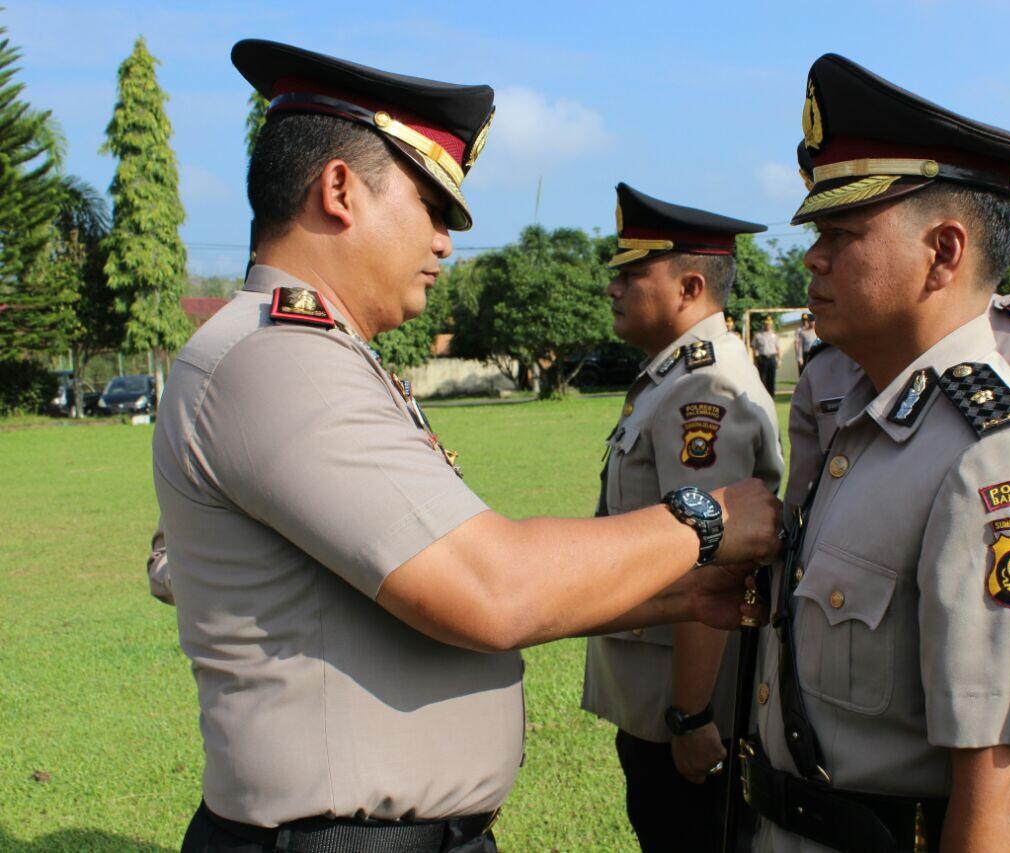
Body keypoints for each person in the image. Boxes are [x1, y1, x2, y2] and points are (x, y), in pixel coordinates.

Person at [156, 40, 783, 853]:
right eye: (432, 206)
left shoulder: (312, 356)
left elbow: (430, 587)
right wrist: (706, 517)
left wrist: (677, 597)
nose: (448, 241)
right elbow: (491, 585)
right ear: (339, 189)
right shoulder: (280, 359)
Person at [744, 54, 1010, 852]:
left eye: (842, 233)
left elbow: (999, 796)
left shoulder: (994, 460)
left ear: (943, 252)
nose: (813, 258)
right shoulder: (872, 422)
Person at [583, 183, 785, 852]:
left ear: (689, 285)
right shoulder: (673, 378)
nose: (613, 286)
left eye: (632, 272)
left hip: (691, 712)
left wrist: (692, 712)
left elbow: (715, 555)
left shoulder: (704, 388)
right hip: (661, 701)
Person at [751, 315, 780, 396]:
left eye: (769, 324)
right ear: (764, 324)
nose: (768, 326)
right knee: (762, 378)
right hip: (762, 358)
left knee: (771, 379)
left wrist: (779, 360)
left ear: (772, 325)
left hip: (772, 358)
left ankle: (771, 397)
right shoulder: (758, 335)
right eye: (766, 324)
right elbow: (754, 347)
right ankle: (763, 397)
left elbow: (778, 348)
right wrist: (755, 360)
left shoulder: (775, 335)